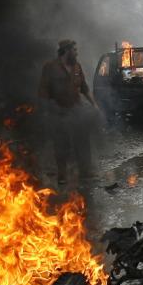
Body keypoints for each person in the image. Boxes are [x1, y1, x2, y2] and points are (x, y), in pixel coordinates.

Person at [38, 39, 97, 186]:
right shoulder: (50, 67)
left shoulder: (77, 67)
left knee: (83, 141)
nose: (77, 53)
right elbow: (43, 91)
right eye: (75, 50)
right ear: (66, 51)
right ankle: (62, 175)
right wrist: (46, 111)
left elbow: (84, 88)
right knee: (61, 144)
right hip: (59, 112)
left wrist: (94, 105)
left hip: (77, 110)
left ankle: (85, 172)